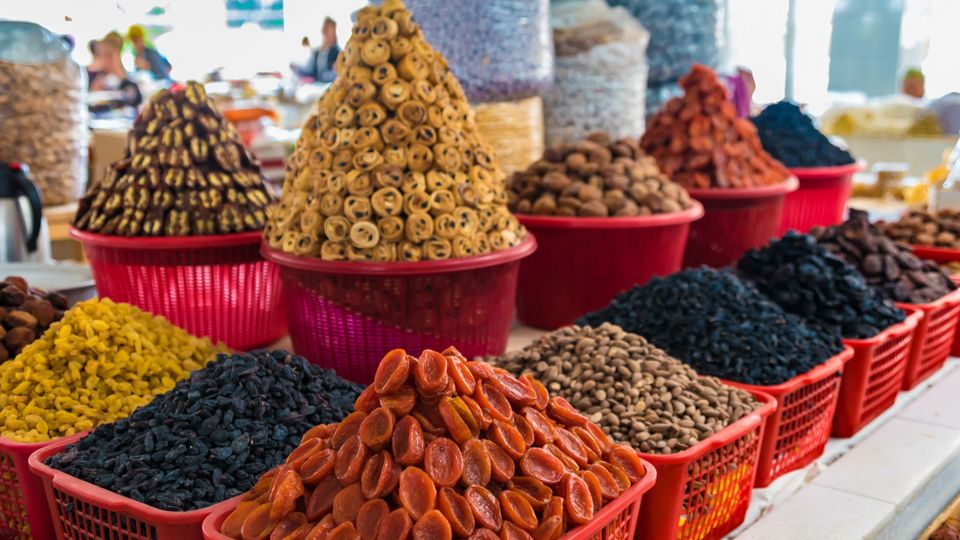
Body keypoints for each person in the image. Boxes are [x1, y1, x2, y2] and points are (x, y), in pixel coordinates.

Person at [87, 32, 142, 111]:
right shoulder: (92, 75)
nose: (106, 60)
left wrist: (119, 74)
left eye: (109, 55)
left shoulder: (126, 80)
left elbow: (135, 100)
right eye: (102, 54)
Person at [292, 17, 340, 82]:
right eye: (324, 29)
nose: (324, 32)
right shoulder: (316, 52)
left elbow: (338, 76)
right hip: (316, 88)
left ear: (333, 31)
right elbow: (310, 71)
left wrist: (335, 71)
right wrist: (297, 69)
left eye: (327, 29)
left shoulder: (338, 53)